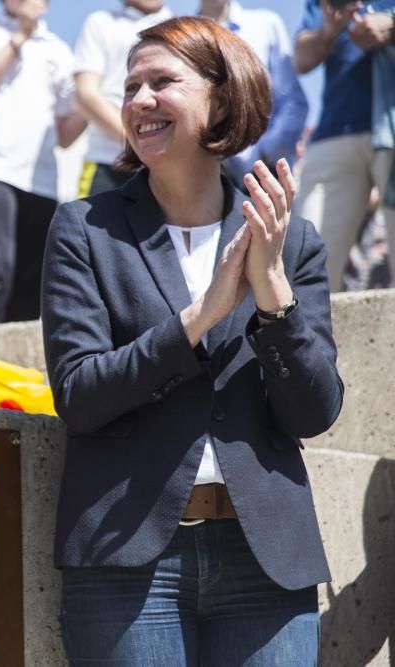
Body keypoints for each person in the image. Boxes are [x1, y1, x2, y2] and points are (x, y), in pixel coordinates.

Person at [41, 17, 343, 664]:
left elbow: (314, 410)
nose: (138, 100)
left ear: (222, 96)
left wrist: (272, 296)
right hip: (127, 561)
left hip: (265, 562)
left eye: (162, 82)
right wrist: (200, 316)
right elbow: (80, 393)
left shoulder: (290, 239)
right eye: (130, 87)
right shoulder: (84, 230)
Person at [0, 0, 85, 326]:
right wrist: (19, 37)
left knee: (32, 284)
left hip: (40, 180)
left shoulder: (58, 50)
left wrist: (94, 98)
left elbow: (66, 135)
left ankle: (12, 374)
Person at [293, 0, 395, 291]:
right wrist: (329, 30)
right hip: (336, 131)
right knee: (305, 268)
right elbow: (301, 59)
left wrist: (391, 25)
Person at [196, 0, 308, 189]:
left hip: (261, 176)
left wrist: (265, 152)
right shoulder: (180, 37)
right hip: (201, 178)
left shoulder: (265, 26)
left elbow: (292, 102)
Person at [73, 0, 171, 199]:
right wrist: (138, 140)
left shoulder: (181, 27)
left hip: (167, 169)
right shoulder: (101, 23)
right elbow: (86, 93)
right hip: (108, 161)